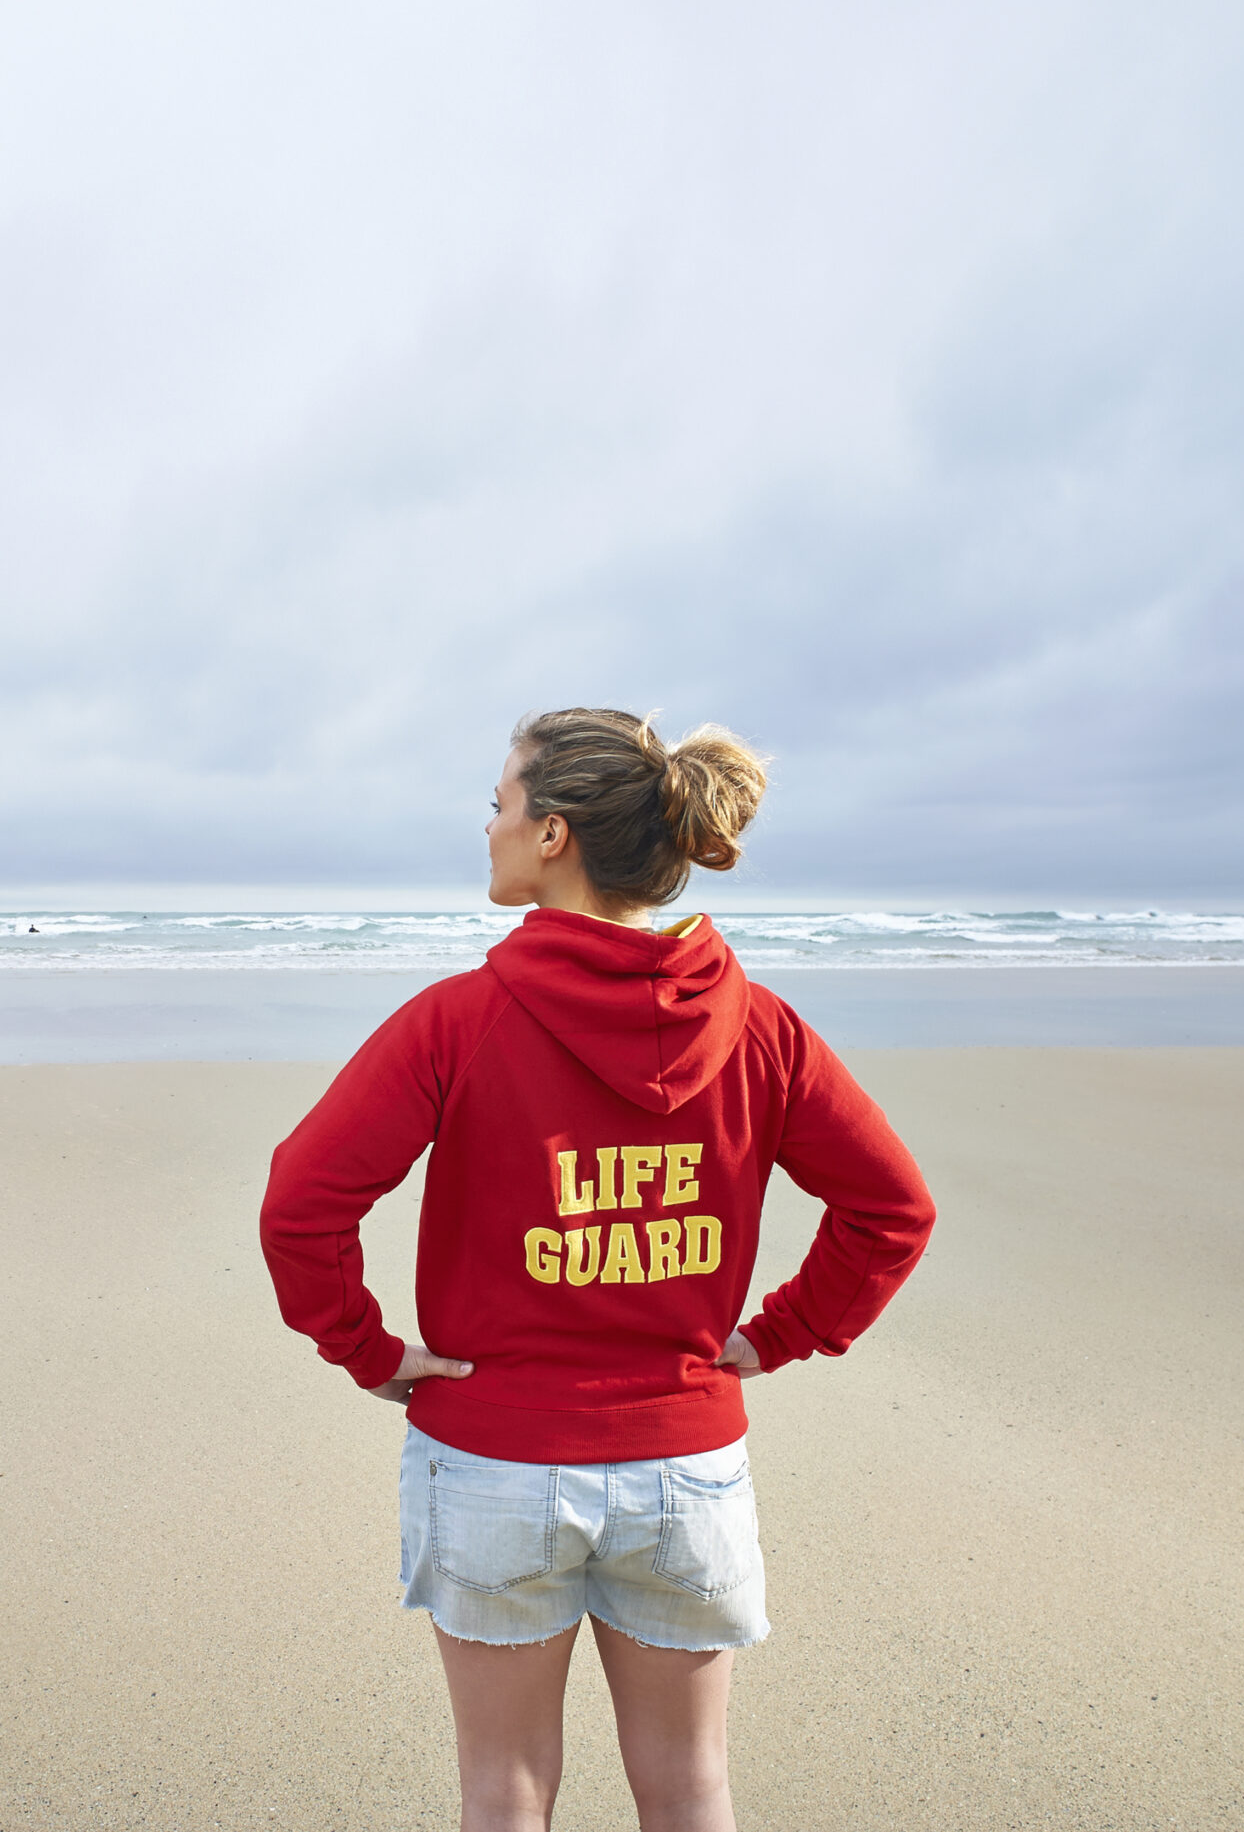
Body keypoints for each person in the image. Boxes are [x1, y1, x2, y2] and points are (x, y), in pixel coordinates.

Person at [259, 709, 935, 1832]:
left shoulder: (456, 1023)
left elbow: (301, 1201)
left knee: (507, 1786)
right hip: (686, 1465)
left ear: (555, 834)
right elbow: (891, 1207)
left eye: (501, 805)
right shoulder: (759, 1029)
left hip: (492, 1460)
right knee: (689, 1786)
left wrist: (368, 1351)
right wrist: (779, 1332)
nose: (488, 828)